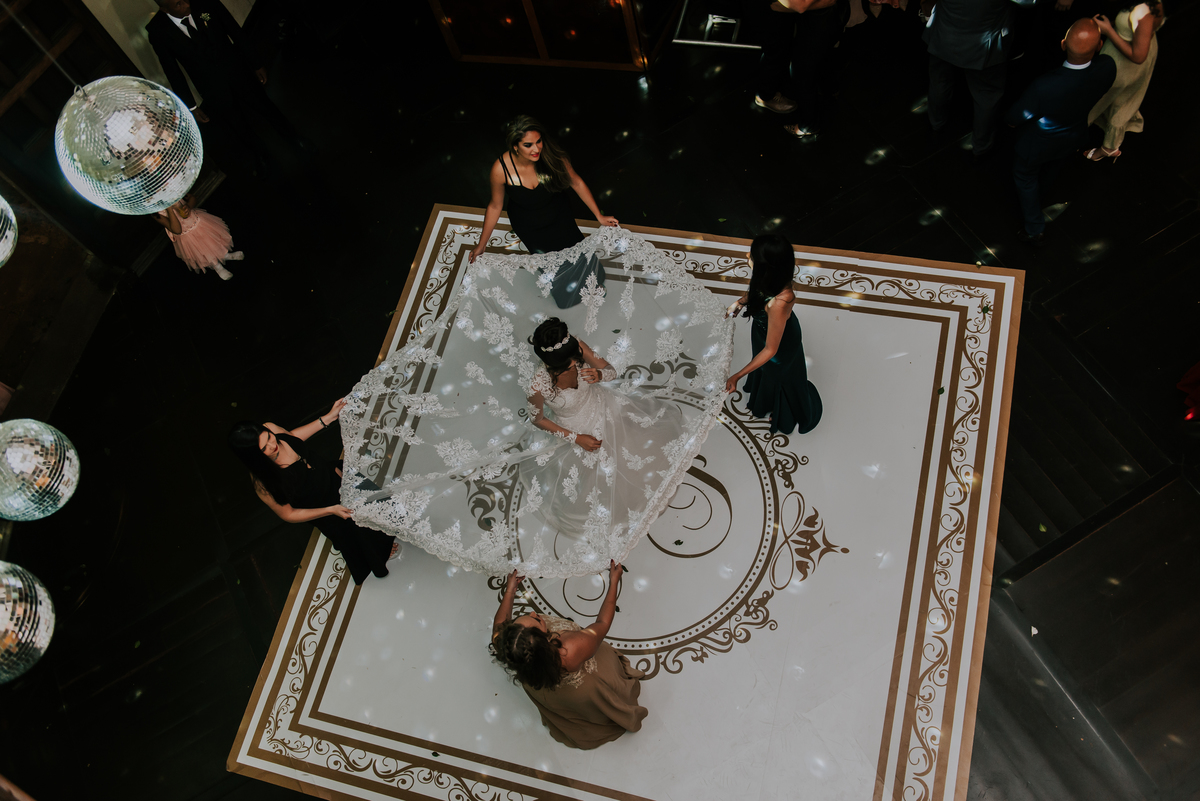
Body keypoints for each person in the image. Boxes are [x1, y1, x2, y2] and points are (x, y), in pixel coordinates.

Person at [523, 317, 688, 534]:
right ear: (552, 365)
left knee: (629, 447)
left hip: (603, 406)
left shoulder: (574, 345)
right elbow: (538, 419)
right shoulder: (537, 386)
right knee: (595, 476)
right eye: (569, 363)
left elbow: (610, 370)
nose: (575, 363)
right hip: (574, 428)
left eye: (575, 358)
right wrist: (576, 438)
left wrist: (600, 374)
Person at [228, 401, 400, 586]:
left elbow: (291, 437)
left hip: (332, 475)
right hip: (326, 505)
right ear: (254, 456)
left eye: (269, 437)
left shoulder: (270, 428)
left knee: (376, 505)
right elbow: (288, 514)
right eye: (264, 448)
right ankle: (380, 547)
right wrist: (330, 510)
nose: (272, 445)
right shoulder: (263, 484)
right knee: (362, 534)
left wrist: (327, 418)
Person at [490, 562, 647, 749]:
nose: (533, 612)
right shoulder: (569, 648)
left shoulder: (510, 645)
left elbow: (500, 624)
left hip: (544, 684)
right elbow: (602, 623)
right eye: (536, 619)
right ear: (544, 641)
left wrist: (510, 590)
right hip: (584, 687)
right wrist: (614, 582)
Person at [469, 116, 617, 308]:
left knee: (577, 251)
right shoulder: (500, 169)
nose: (536, 149)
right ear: (515, 146)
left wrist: (599, 215)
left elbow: (576, 182)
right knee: (549, 264)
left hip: (559, 217)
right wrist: (482, 245)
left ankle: (592, 282)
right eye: (528, 145)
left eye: (538, 141)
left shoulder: (552, 157)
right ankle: (567, 294)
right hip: (529, 227)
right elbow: (495, 206)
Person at [146, 0, 301, 167]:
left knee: (265, 105)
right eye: (178, 4)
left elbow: (234, 31)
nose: (187, 4)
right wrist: (191, 105)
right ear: (164, 9)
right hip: (211, 86)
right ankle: (262, 158)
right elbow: (172, 71)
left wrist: (256, 63)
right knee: (237, 124)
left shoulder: (205, 2)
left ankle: (295, 137)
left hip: (237, 70)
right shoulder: (157, 30)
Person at [1004, 18, 1115, 241]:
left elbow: (1016, 116)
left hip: (1038, 143)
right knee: (1053, 168)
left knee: (1025, 177)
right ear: (1100, 46)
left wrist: (1011, 123)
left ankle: (1034, 228)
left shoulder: (1044, 85)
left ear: (1063, 44)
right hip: (1073, 136)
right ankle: (1042, 193)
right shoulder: (1107, 67)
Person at [725, 234, 822, 435]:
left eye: (752, 256)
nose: (747, 256)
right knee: (764, 369)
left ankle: (782, 410)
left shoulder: (780, 301)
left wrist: (737, 375)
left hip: (778, 345)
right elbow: (758, 290)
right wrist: (740, 302)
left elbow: (771, 350)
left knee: (776, 374)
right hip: (764, 331)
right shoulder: (772, 278)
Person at [923, 0, 1036, 159]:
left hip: (943, 33)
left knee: (939, 82)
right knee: (986, 96)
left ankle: (936, 122)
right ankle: (981, 146)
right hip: (983, 48)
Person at [758, 0, 851, 138]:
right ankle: (828, 92)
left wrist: (774, 6)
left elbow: (798, 5)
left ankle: (808, 125)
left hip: (823, 20)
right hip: (826, 18)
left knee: (802, 71)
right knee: (817, 61)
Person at [1086, 2, 1165, 161]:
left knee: (1119, 103)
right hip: (1128, 53)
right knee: (1115, 99)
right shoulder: (1150, 5)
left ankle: (1109, 148)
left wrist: (1108, 30)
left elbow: (1138, 56)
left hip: (1124, 66)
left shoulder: (1144, 12)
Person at [152, 194, 242, 279]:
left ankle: (225, 255)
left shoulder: (174, 191)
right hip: (187, 235)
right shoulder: (155, 212)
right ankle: (217, 266)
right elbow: (177, 230)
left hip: (198, 223)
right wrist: (169, 209)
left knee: (212, 241)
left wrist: (188, 206)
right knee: (203, 251)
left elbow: (192, 198)